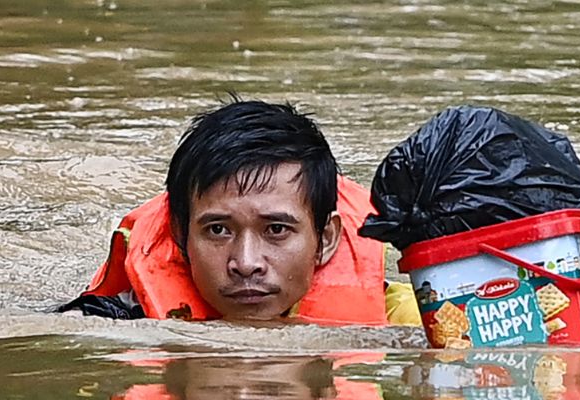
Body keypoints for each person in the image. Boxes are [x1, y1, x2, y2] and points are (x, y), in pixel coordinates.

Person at [58, 99, 421, 326]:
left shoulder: (409, 320)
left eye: (276, 229)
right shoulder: (114, 321)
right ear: (181, 236)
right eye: (218, 230)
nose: (246, 263)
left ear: (325, 239)